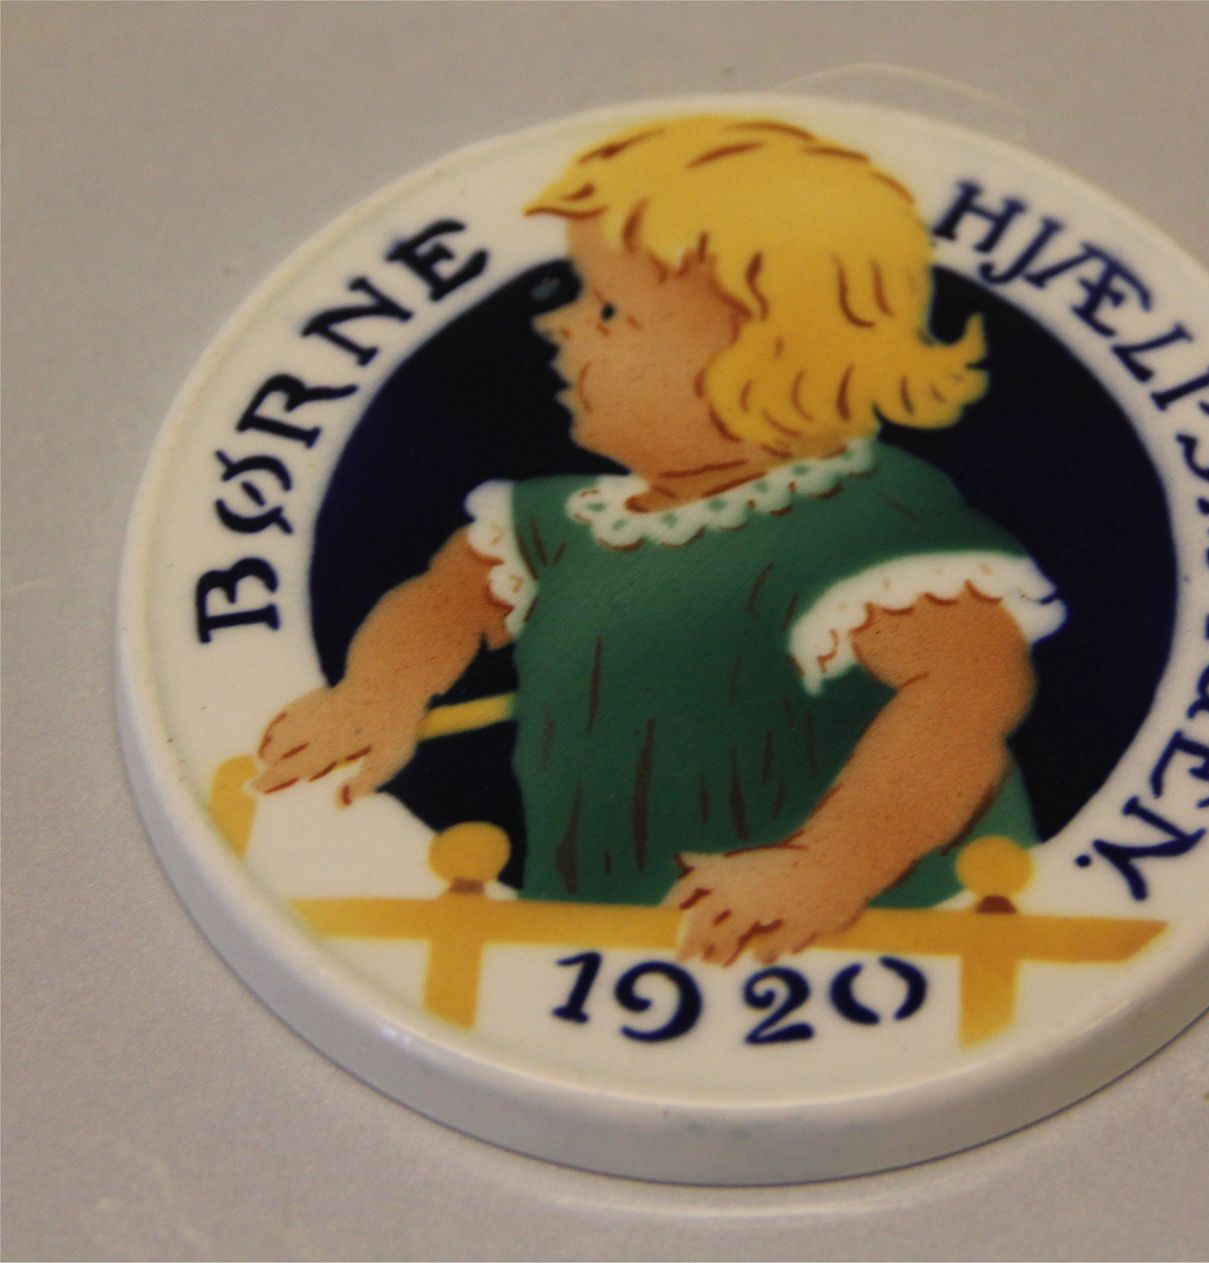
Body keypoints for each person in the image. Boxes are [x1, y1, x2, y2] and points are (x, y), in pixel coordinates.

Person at [254, 115, 1064, 966]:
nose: (561, 324)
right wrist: (379, 692)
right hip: (610, 928)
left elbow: (962, 699)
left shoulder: (871, 523)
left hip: (863, 942)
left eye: (610, 308)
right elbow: (445, 603)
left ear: (771, 353)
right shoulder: (559, 526)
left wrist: (829, 866)